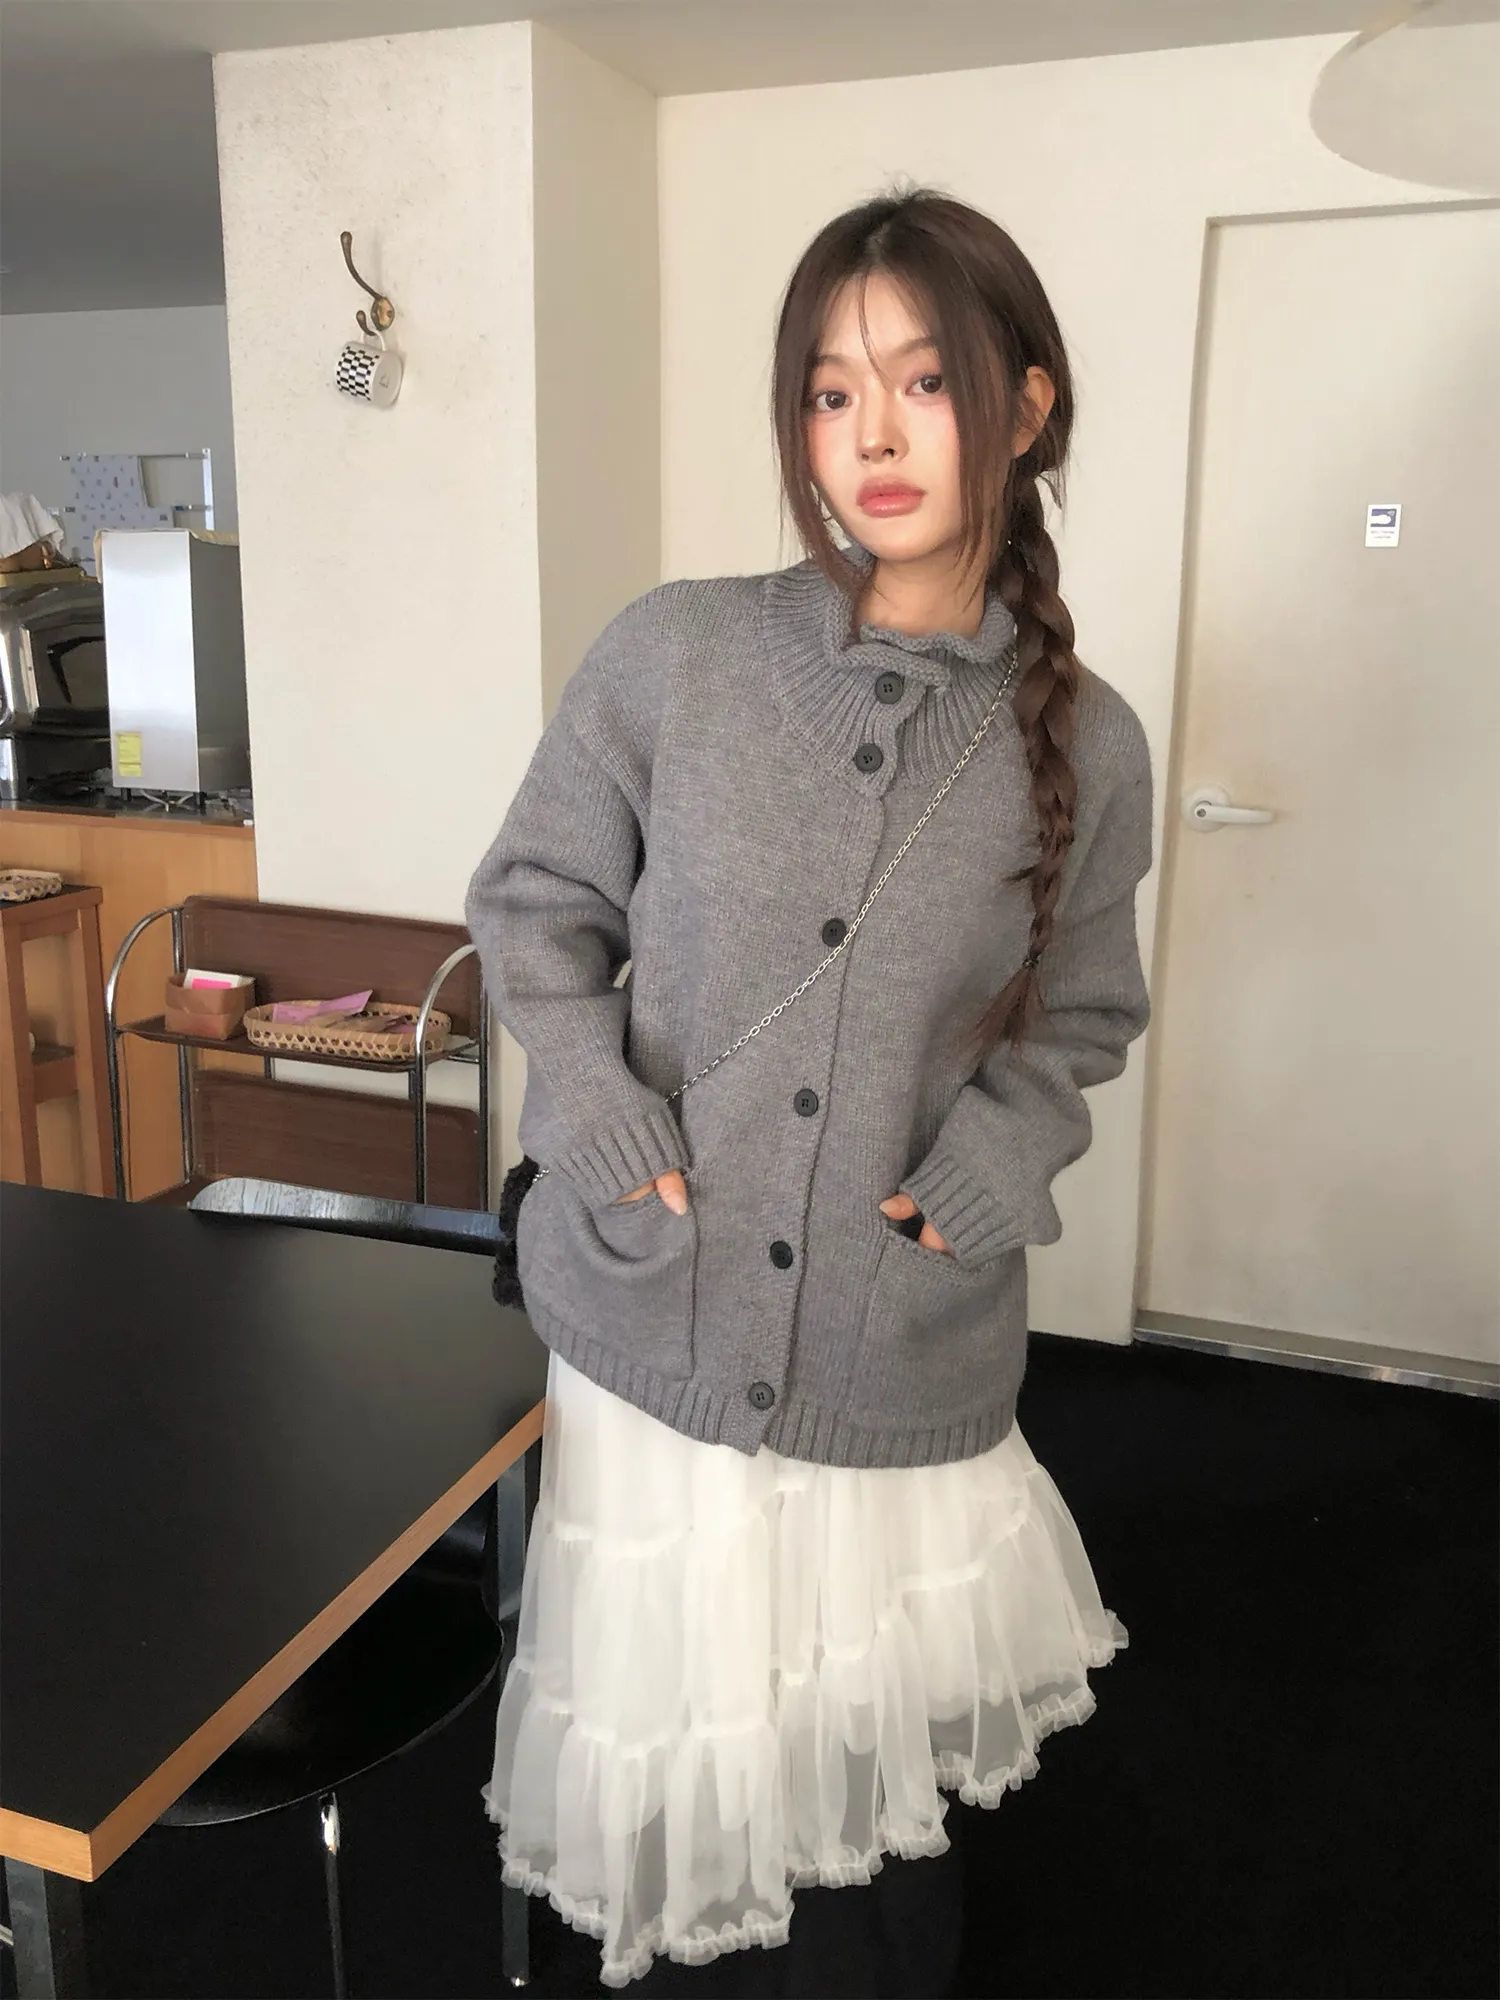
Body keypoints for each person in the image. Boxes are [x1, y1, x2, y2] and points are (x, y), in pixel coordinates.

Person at [464, 184, 1155, 1992]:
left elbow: (1079, 1016)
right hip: (658, 1307)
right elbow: (532, 907)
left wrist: (985, 1180)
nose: (874, 436)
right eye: (832, 393)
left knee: (865, 1802)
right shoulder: (676, 651)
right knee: (678, 1740)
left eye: (924, 382)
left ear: (1026, 405)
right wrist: (600, 1119)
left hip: (891, 1325)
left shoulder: (1090, 742)